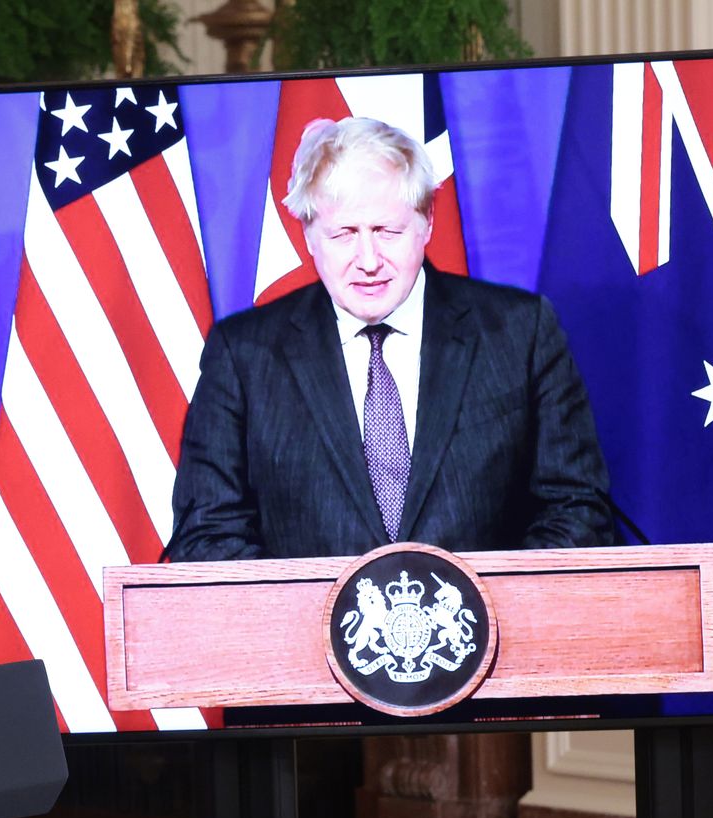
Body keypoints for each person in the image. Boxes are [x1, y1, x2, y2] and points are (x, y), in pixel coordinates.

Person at [165, 117, 611, 562]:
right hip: (303, 632)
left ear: (426, 223)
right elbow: (207, 535)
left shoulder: (519, 333)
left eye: (386, 232)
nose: (368, 261)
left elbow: (576, 511)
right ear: (308, 236)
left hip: (490, 629)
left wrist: (477, 617)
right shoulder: (243, 355)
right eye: (344, 234)